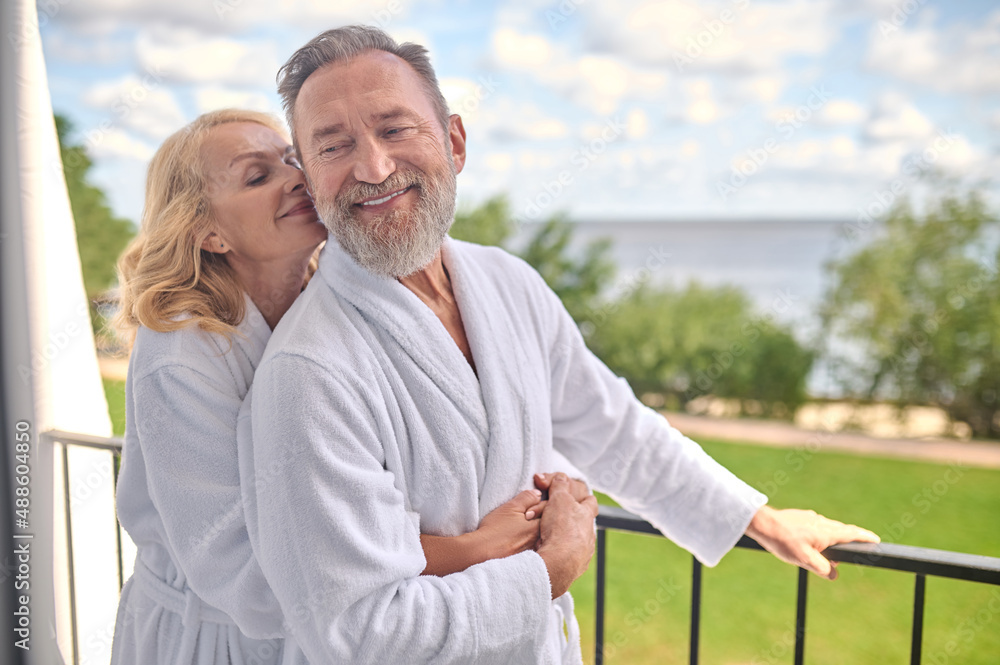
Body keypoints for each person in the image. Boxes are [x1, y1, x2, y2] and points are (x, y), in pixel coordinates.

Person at [240, 25, 880, 665]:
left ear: (454, 142)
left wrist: (755, 520)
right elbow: (359, 631)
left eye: (395, 129)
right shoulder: (306, 374)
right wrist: (552, 569)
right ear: (310, 181)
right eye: (334, 146)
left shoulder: (506, 283)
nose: (374, 168)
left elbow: (614, 429)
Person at [110, 108, 568, 665]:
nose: (295, 176)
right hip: (213, 641)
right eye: (257, 177)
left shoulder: (322, 310)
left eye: (290, 158)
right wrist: (476, 548)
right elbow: (246, 572)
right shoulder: (181, 356)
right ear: (208, 232)